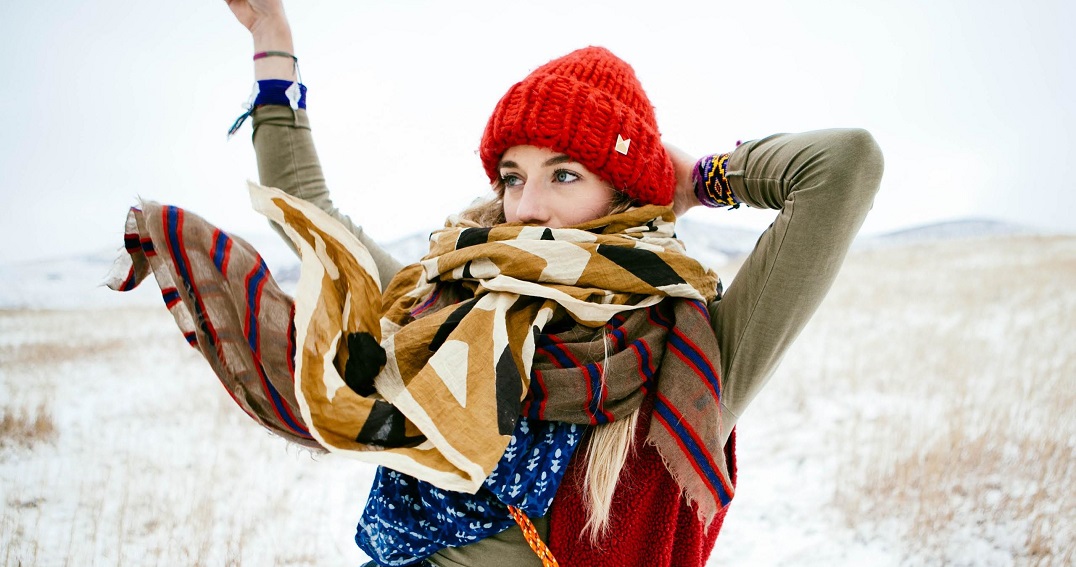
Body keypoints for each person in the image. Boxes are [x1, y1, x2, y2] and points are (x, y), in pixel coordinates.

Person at [124, 1, 883, 565]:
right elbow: (319, 225)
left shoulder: (690, 343)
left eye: (563, 174)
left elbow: (842, 167)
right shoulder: (450, 301)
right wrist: (272, 48)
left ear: (621, 188)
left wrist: (695, 177)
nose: (525, 207)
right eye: (513, 176)